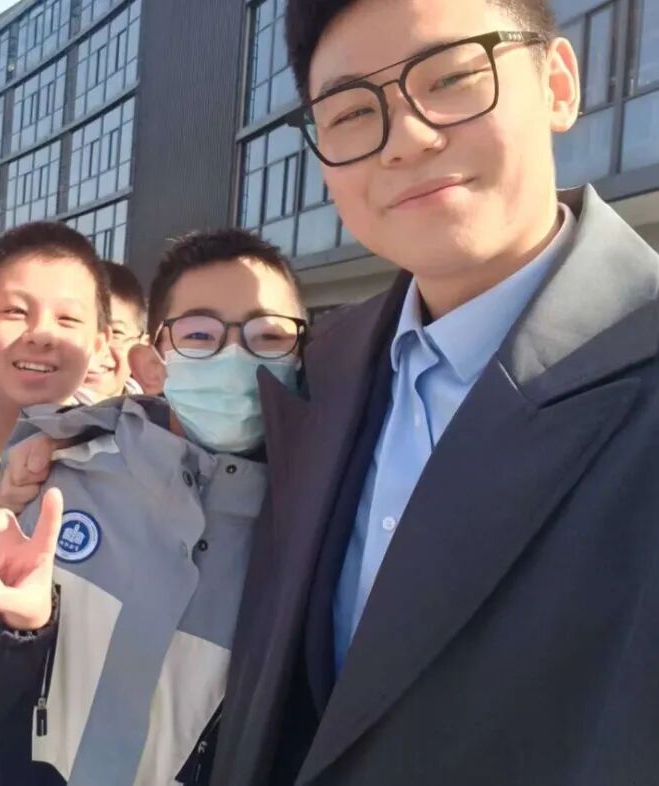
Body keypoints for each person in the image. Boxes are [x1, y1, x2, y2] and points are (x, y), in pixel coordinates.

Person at [209, 1, 659, 785]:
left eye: (450, 78)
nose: (407, 138)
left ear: (557, 84)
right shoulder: (332, 365)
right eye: (352, 112)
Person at [0, 229, 307, 786]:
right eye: (200, 335)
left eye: (268, 336)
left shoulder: (317, 530)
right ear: (151, 364)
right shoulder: (64, 478)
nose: (234, 357)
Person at [0, 221, 110, 542]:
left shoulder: (123, 464)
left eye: (68, 318)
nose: (41, 334)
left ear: (99, 346)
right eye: (16, 311)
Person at [76, 260, 148, 403]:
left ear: (143, 347)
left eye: (115, 333)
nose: (96, 346)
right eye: (81, 329)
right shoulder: (39, 412)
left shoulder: (160, 412)